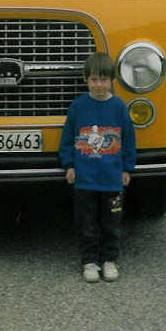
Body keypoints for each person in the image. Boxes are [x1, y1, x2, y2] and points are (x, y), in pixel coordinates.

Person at [59, 51, 136, 283]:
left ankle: (109, 260)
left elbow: (129, 141)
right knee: (86, 224)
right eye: (93, 79)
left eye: (103, 80)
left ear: (111, 80)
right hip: (84, 181)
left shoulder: (119, 108)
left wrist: (126, 169)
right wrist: (69, 165)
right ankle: (89, 261)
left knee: (111, 223)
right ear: (86, 80)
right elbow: (67, 140)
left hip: (112, 181)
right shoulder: (78, 107)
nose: (99, 85)